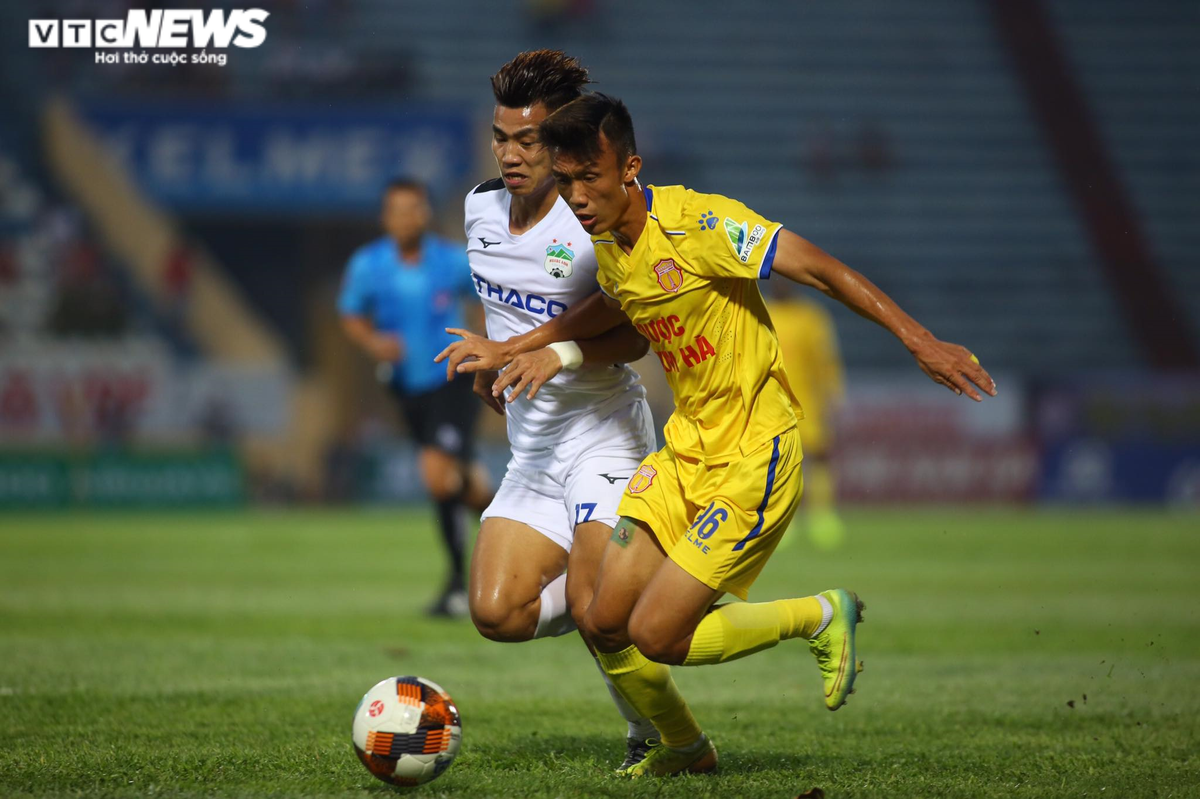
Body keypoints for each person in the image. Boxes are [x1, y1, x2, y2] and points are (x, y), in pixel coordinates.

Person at [440, 92, 997, 777]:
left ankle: (819, 615)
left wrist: (920, 339)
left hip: (753, 456)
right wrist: (521, 348)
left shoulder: (703, 224)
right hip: (684, 452)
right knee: (602, 620)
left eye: (590, 178)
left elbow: (819, 268)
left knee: (656, 634)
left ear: (631, 168)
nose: (577, 197)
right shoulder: (607, 243)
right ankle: (686, 749)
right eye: (568, 180)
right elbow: (611, 306)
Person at [435, 50, 663, 773]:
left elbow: (635, 334)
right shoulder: (478, 209)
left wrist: (551, 354)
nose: (509, 154)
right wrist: (492, 363)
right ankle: (625, 591)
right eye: (500, 138)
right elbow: (500, 301)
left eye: (527, 141)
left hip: (604, 436)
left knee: (598, 610)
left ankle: (651, 728)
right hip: (532, 450)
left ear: (561, 140)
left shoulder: (591, 220)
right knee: (496, 613)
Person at [338, 178, 493, 618]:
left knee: (438, 477)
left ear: (426, 213)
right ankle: (510, 517)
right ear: (385, 217)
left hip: (451, 378)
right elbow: (350, 314)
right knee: (466, 484)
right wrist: (373, 343)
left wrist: (483, 342)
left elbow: (488, 297)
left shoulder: (451, 260)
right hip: (407, 387)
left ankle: (457, 586)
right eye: (398, 210)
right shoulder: (369, 264)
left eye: (414, 208)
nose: (406, 218)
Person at [764, 289, 847, 550]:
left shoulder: (810, 316)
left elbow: (825, 360)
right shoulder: (761, 310)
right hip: (771, 402)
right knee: (779, 462)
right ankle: (784, 522)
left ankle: (821, 517)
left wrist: (833, 393)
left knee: (819, 456)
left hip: (808, 400)